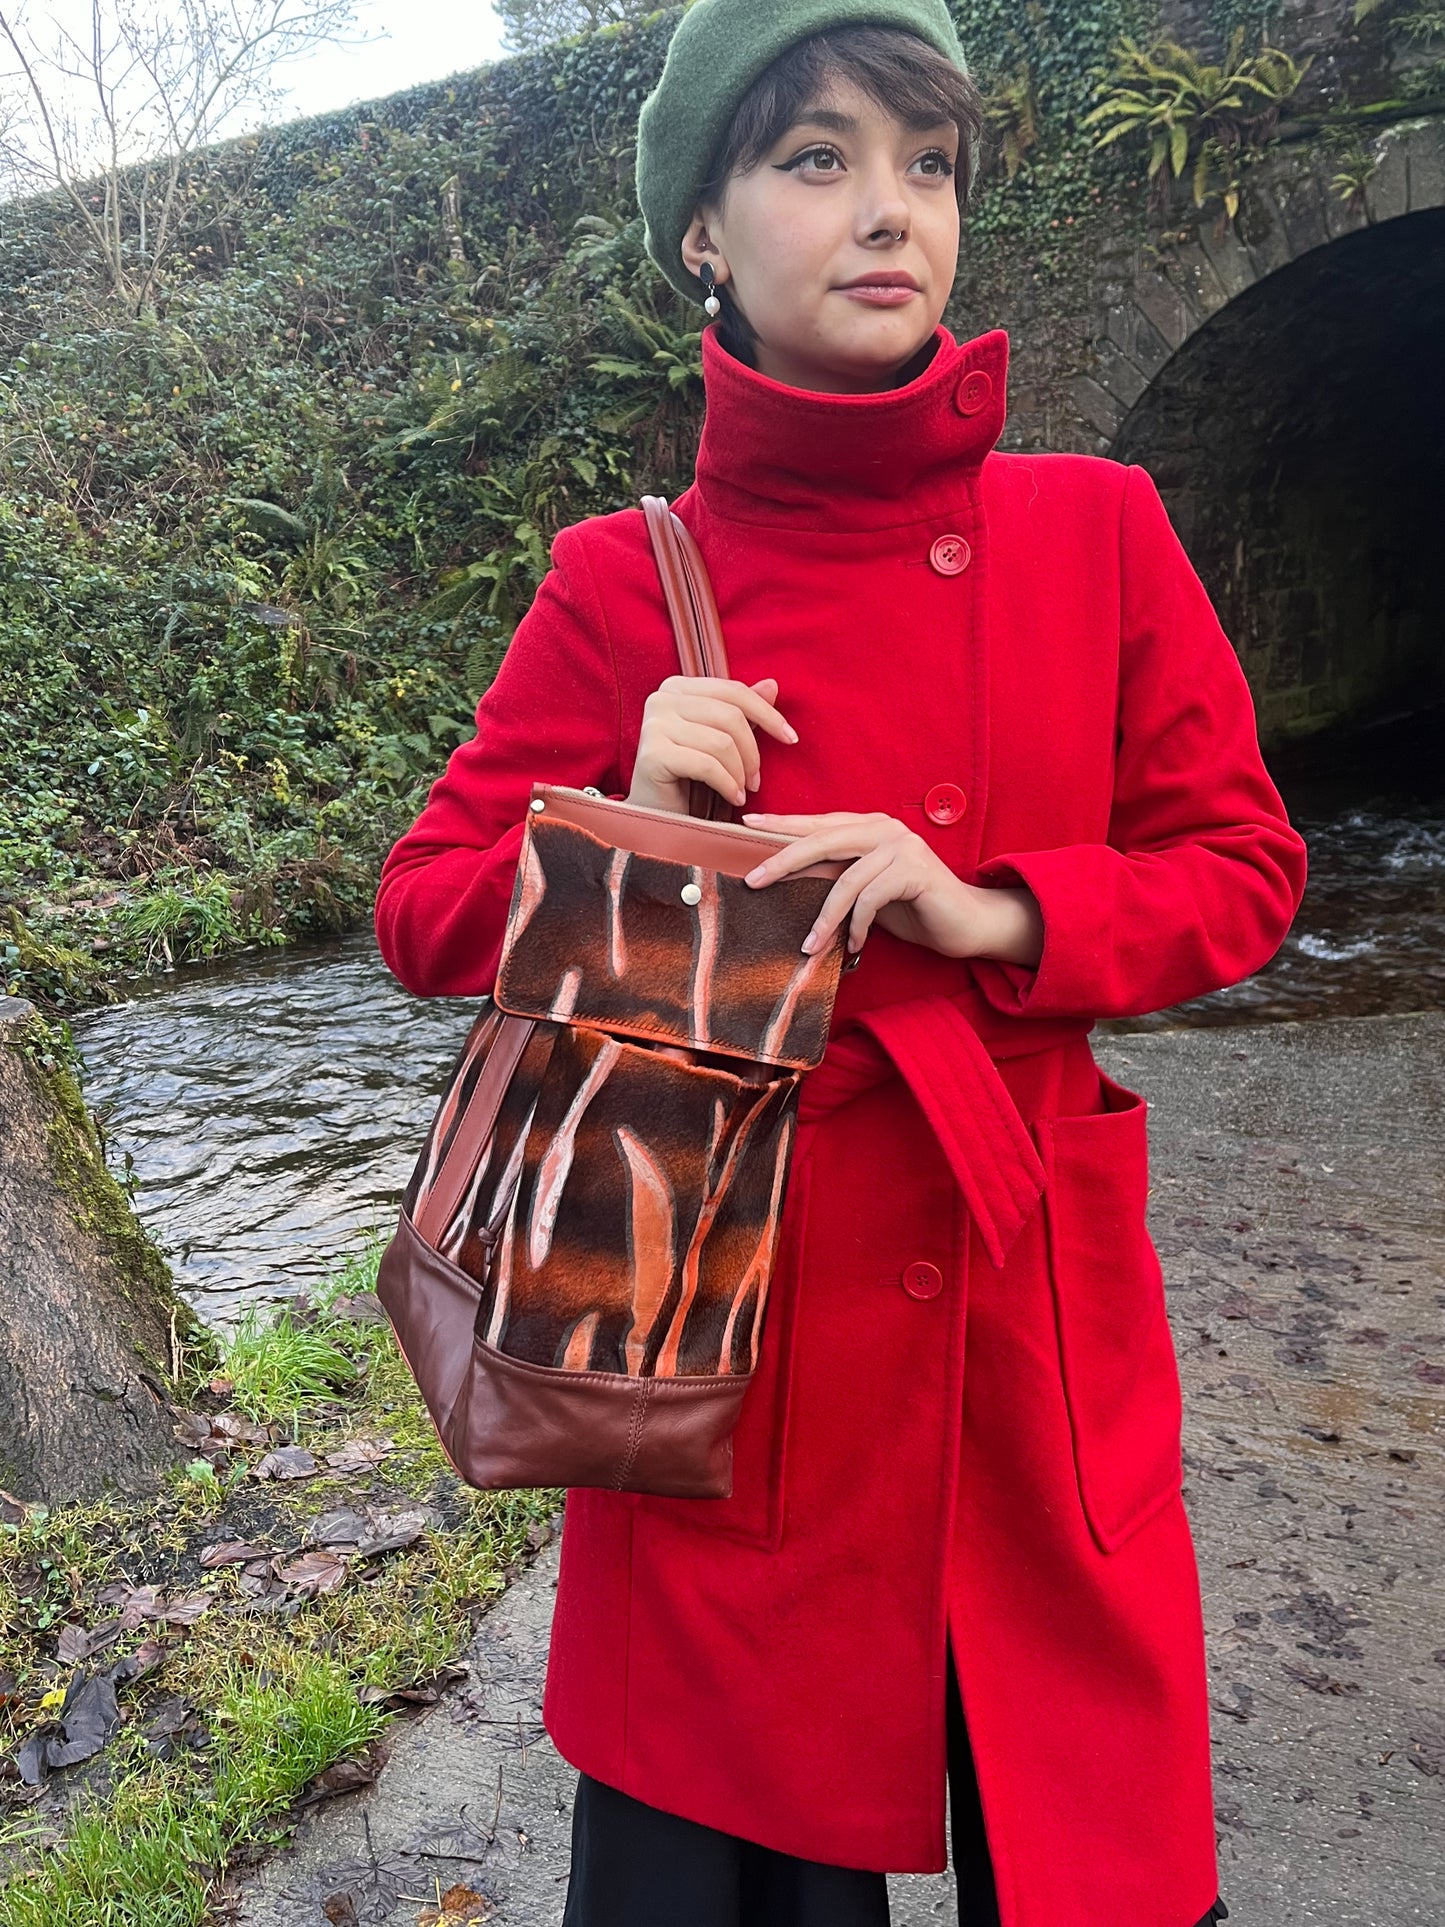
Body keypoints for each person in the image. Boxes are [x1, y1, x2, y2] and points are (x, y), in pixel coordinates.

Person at [374, 2, 1308, 1921]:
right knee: (741, 1848)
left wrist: (994, 909)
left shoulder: (1097, 532)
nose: (889, 213)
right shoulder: (619, 581)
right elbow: (421, 911)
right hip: (724, 1325)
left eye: (926, 165)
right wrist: (625, 815)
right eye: (816, 161)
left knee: (1086, 1841)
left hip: (1022, 1296)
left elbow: (1243, 872)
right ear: (703, 230)